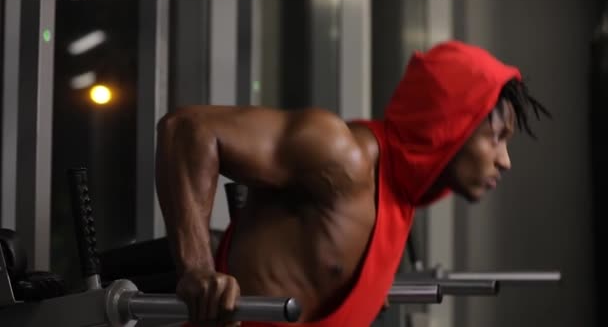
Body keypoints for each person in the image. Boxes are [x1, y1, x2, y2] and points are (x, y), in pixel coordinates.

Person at [154, 40, 550, 327]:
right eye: (496, 138)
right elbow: (188, 131)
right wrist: (198, 271)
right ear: (453, 123)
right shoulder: (343, 156)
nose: (505, 160)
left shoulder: (398, 200)